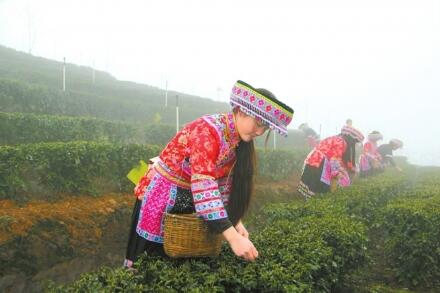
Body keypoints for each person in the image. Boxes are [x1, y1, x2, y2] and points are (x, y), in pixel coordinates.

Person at [124, 80, 294, 267]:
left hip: (190, 200)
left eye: (266, 128)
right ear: (242, 111)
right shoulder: (208, 131)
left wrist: (236, 223)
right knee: (148, 262)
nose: (260, 132)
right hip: (163, 196)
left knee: (181, 266)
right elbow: (205, 189)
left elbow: (222, 187)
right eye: (258, 124)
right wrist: (233, 238)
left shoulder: (236, 141)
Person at [298, 125, 364, 199]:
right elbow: (334, 159)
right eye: (355, 142)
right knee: (320, 188)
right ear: (351, 138)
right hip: (320, 162)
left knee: (312, 185)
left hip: (312, 160)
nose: (354, 144)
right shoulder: (341, 141)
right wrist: (336, 173)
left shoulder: (335, 138)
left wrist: (344, 169)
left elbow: (338, 160)